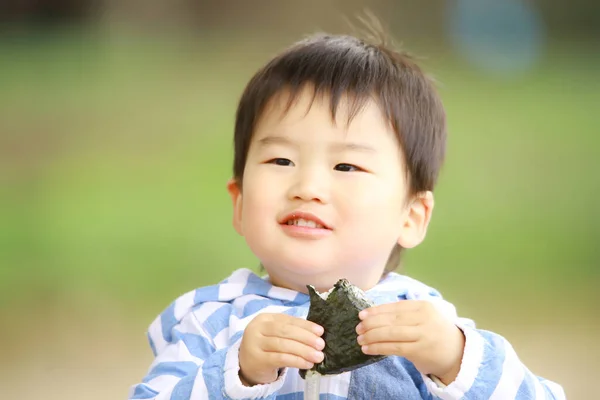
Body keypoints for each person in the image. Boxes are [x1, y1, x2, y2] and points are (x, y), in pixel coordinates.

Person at [128, 27, 566, 400]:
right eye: (281, 161)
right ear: (240, 204)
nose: (308, 188)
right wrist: (236, 373)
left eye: (346, 166)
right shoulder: (211, 320)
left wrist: (457, 360)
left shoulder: (426, 326)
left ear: (411, 216)